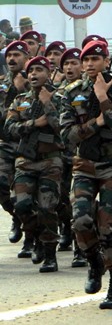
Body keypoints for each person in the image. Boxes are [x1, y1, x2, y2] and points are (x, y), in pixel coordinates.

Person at [60, 37, 112, 308]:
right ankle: (94, 261)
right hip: (84, 165)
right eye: (86, 59)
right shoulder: (71, 93)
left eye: (95, 59)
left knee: (108, 227)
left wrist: (103, 97)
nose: (90, 64)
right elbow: (67, 135)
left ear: (106, 61)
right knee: (80, 220)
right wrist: (97, 122)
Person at [6, 56, 64, 273]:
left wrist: (48, 104)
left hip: (50, 160)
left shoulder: (59, 98)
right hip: (26, 161)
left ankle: (50, 253)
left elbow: (61, 126)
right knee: (21, 205)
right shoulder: (20, 100)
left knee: (47, 207)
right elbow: (10, 128)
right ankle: (37, 235)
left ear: (48, 74)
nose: (33, 74)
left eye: (39, 70)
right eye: (31, 71)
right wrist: (34, 123)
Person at [1, 40, 31, 255]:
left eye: (17, 55)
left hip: (31, 147)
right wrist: (14, 90)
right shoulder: (2, 85)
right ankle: (17, 217)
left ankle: (32, 237)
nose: (12, 59)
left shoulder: (38, 82)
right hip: (6, 144)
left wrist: (23, 89)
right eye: (9, 55)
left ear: (27, 58)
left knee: (27, 196)